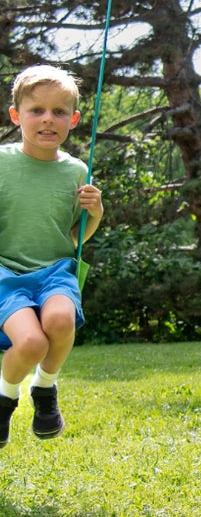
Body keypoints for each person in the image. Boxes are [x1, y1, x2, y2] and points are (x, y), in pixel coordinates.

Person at [0, 64, 104, 447]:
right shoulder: (2, 162)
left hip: (56, 271)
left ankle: (45, 389)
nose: (48, 119)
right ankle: (5, 397)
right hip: (4, 273)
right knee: (30, 344)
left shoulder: (77, 171)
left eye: (59, 112)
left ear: (74, 120)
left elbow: (75, 239)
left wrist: (95, 214)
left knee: (61, 320)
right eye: (36, 110)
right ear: (16, 115)